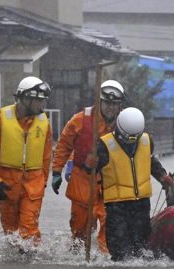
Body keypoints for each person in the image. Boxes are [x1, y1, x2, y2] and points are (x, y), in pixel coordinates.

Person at [84, 107, 174, 261]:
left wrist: (161, 175)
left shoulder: (146, 141)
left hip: (141, 204)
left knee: (141, 245)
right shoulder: (104, 145)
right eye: (128, 138)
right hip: (116, 206)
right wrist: (88, 163)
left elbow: (150, 161)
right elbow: (89, 168)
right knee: (119, 246)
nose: (131, 142)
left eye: (135, 138)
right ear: (119, 129)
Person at [51, 80, 125, 253]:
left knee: (110, 225)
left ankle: (106, 260)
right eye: (107, 103)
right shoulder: (80, 119)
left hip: (110, 181)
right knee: (80, 228)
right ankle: (77, 254)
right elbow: (63, 145)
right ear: (99, 101)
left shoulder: (125, 123)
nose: (110, 108)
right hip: (83, 181)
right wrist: (56, 171)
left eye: (114, 104)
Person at [0, 76, 53, 248]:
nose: (41, 105)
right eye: (37, 100)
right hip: (7, 183)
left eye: (42, 100)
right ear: (25, 98)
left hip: (34, 183)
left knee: (29, 228)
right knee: (10, 230)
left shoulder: (44, 123)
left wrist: (43, 181)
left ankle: (30, 263)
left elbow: (46, 156)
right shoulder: (1, 120)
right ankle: (15, 267)